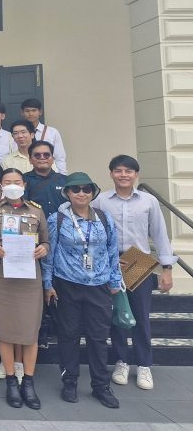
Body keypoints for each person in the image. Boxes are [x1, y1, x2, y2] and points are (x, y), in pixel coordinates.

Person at [96, 154, 178, 391]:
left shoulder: (148, 201)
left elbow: (160, 235)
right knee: (117, 314)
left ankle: (144, 364)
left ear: (136, 175)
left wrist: (167, 269)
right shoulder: (101, 201)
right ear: (111, 173)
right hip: (112, 262)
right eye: (118, 170)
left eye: (128, 171)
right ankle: (121, 361)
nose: (123, 175)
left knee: (141, 315)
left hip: (139, 260)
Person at [41, 172, 122, 408]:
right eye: (76, 189)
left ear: (92, 193)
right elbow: (49, 254)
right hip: (67, 283)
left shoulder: (104, 219)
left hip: (99, 285)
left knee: (98, 337)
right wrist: (47, 284)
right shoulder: (57, 219)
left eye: (87, 189)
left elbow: (112, 252)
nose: (81, 193)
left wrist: (115, 281)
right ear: (67, 193)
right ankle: (70, 382)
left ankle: (101, 385)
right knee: (69, 335)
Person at [0, 168, 50, 409]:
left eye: (16, 182)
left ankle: (28, 381)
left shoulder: (36, 211)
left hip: (28, 276)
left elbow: (46, 240)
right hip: (0, 275)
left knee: (29, 329)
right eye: (7, 182)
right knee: (4, 327)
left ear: (24, 185)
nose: (12, 185)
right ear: (1, 185)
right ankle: (10, 380)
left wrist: (43, 249)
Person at [22, 98, 67, 175]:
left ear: (40, 112)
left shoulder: (52, 132)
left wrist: (62, 175)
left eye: (34, 110)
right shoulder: (18, 134)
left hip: (49, 175)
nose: (31, 114)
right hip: (25, 174)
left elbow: (60, 157)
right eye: (27, 111)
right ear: (22, 113)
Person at [24, 140, 66, 218]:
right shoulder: (23, 180)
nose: (42, 157)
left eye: (46, 155)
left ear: (53, 159)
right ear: (30, 160)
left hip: (60, 224)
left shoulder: (65, 181)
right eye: (37, 155)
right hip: (34, 223)